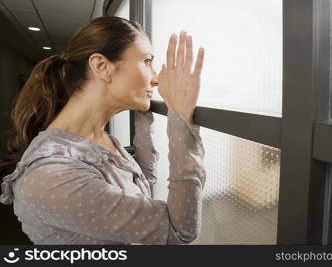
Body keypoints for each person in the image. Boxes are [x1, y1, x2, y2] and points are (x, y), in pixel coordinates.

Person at [0, 16, 206, 245]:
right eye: (147, 61)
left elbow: (142, 185)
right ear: (101, 66)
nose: (156, 78)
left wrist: (142, 114)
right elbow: (178, 233)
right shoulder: (50, 176)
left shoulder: (98, 140)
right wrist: (179, 116)